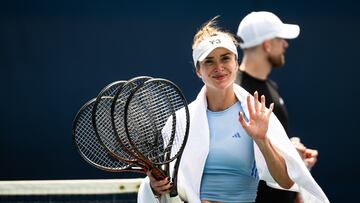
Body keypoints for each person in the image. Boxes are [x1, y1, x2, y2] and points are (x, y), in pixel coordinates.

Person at [137, 16, 329, 203]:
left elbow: (286, 182)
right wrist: (154, 186)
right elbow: (164, 182)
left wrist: (262, 141)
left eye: (225, 58)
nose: (219, 67)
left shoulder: (256, 113)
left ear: (236, 63)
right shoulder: (179, 122)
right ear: (198, 70)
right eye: (209, 61)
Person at [235, 11, 319, 203]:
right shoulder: (236, 93)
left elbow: (270, 142)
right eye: (281, 39)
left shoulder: (271, 87)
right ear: (267, 45)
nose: (286, 44)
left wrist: (294, 156)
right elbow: (241, 154)